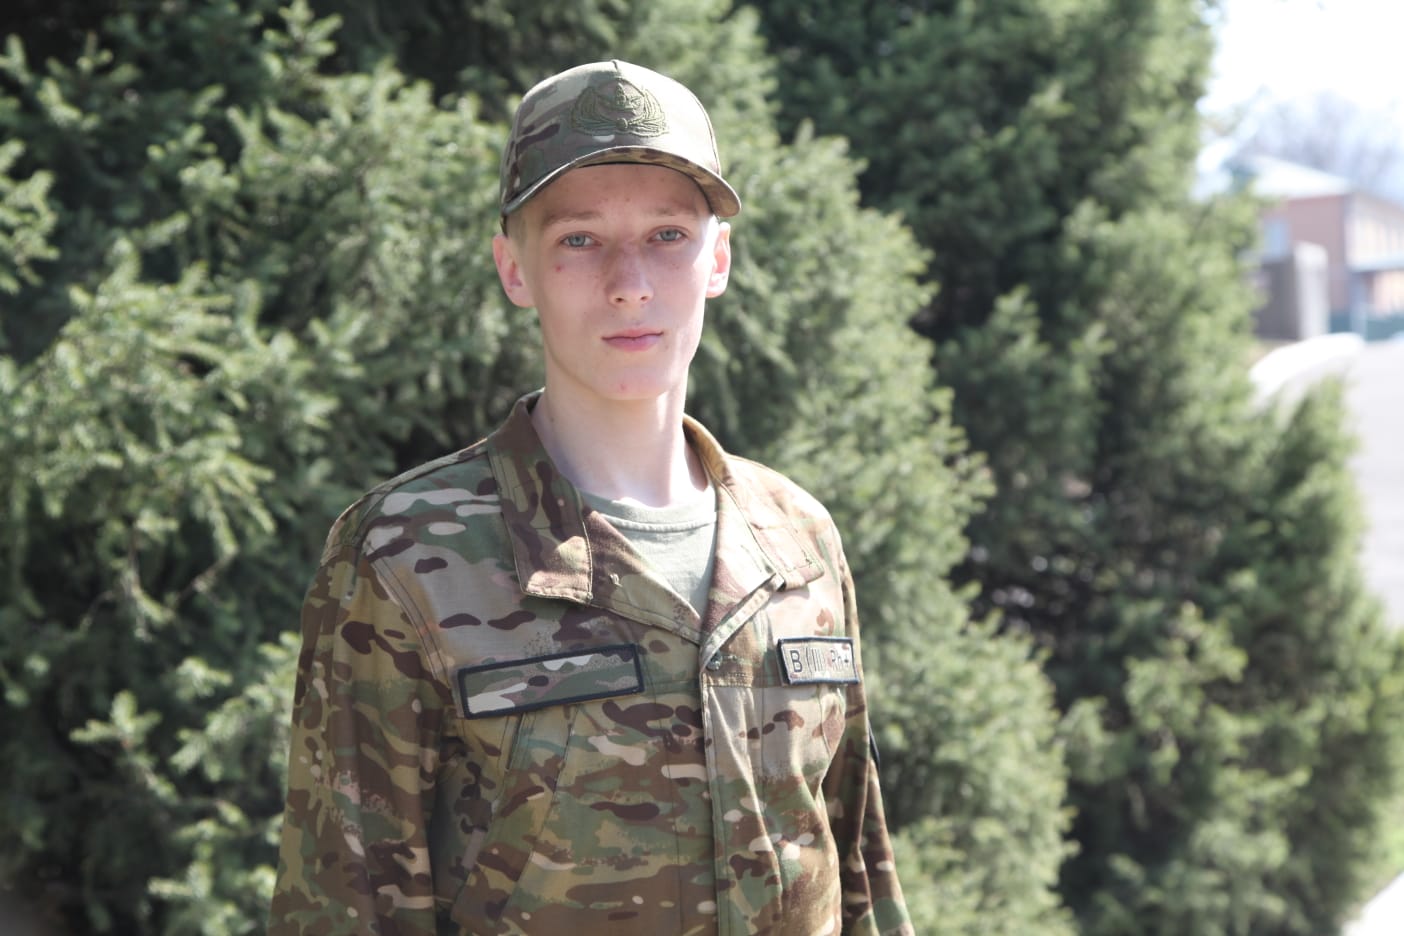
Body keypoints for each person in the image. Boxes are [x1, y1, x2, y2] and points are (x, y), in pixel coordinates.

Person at [270, 59, 912, 936]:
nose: (629, 282)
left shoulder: (799, 541)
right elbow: (347, 907)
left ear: (718, 259)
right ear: (514, 269)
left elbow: (858, 872)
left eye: (668, 235)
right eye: (579, 239)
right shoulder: (404, 557)